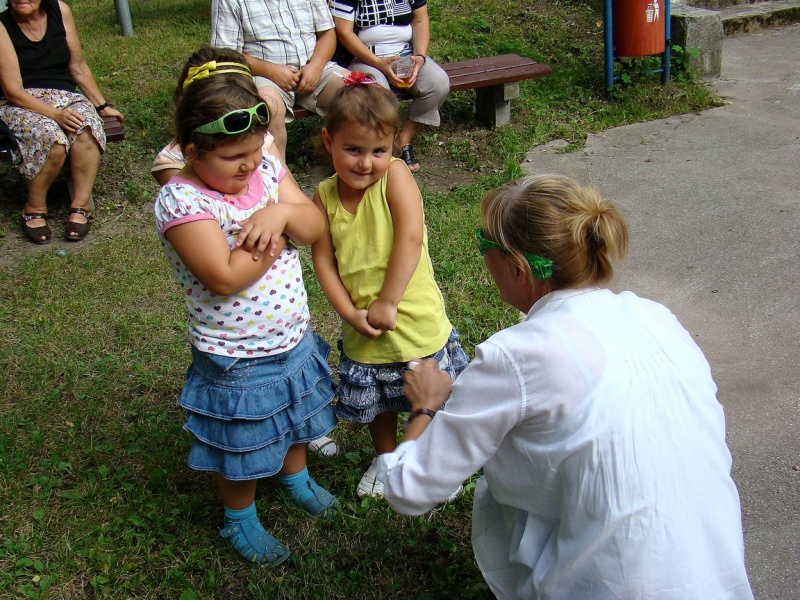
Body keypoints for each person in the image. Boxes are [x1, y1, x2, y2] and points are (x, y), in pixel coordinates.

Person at [377, 174, 755, 599]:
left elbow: (409, 490)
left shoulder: (517, 355)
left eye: (484, 244)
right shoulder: (657, 317)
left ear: (518, 268)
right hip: (716, 579)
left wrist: (426, 407)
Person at [153, 49, 339, 566]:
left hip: (291, 334)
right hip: (235, 352)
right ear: (193, 151)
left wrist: (279, 213)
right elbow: (224, 276)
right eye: (235, 157)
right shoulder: (182, 201)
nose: (250, 165)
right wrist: (279, 231)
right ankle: (240, 516)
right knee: (243, 439)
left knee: (295, 414)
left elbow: (314, 226)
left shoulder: (265, 166)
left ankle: (296, 478)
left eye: (256, 153)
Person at [310, 76, 468, 498]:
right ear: (328, 141)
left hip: (412, 317)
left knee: (426, 390)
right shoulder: (323, 197)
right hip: (364, 326)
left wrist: (388, 300)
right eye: (354, 150)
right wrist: (349, 314)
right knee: (378, 401)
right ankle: (385, 460)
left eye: (379, 151)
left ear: (393, 146)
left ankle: (429, 459)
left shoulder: (395, 176)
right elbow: (323, 261)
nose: (366, 163)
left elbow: (410, 239)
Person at [0, 0, 123, 244]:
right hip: (22, 103)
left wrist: (101, 106)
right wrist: (55, 115)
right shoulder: (2, 26)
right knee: (52, 137)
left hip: (65, 95)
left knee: (86, 127)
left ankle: (80, 205)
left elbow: (77, 66)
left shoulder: (61, 11)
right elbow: (13, 91)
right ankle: (35, 206)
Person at [210, 0, 349, 161]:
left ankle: (354, 164)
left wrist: (316, 66)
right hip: (262, 76)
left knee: (358, 91)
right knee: (269, 106)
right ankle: (277, 172)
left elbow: (327, 34)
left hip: (316, 69)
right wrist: (270, 71)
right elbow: (225, 54)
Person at [329, 0, 449, 173]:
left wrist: (420, 56)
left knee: (438, 82)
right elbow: (344, 32)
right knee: (377, 93)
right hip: (363, 58)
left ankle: (403, 139)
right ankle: (379, 147)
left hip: (405, 55)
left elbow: (420, 20)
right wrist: (378, 62)